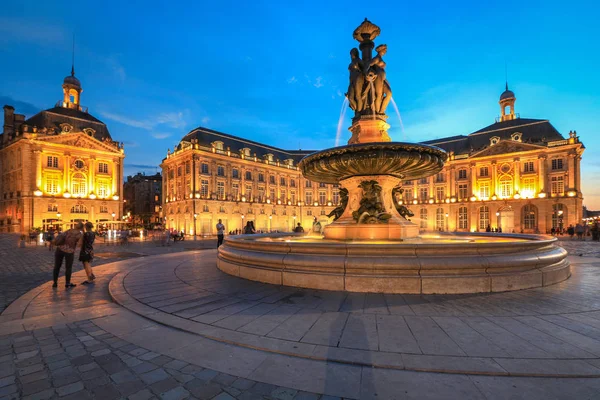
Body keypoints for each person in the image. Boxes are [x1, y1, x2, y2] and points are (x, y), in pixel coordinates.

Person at [53, 222, 83, 289]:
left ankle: (55, 282)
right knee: (68, 267)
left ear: (75, 226)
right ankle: (67, 283)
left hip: (60, 249)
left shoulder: (69, 230)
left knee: (57, 266)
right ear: (81, 228)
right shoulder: (79, 234)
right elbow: (79, 245)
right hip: (69, 251)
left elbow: (60, 237)